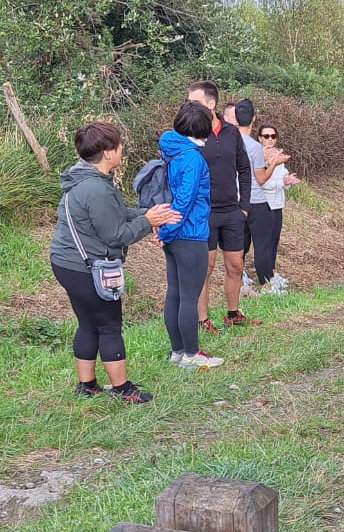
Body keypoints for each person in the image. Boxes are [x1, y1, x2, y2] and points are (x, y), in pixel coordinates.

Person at [51, 122, 180, 402]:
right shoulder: (96, 188)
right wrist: (149, 222)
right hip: (86, 266)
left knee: (87, 323)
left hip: (67, 261)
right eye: (119, 146)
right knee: (109, 325)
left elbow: (117, 214)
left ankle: (87, 386)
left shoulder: (84, 178)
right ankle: (123, 390)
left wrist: (148, 213)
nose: (122, 150)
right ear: (108, 153)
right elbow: (115, 235)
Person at [187, 81, 255, 332]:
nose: (189, 107)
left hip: (232, 212)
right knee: (205, 268)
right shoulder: (190, 135)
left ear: (211, 104)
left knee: (236, 265)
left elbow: (244, 169)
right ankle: (203, 320)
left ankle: (233, 313)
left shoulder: (231, 132)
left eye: (195, 102)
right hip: (204, 213)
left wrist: (244, 206)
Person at [159, 100, 222, 370]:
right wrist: (168, 230)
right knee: (189, 297)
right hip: (191, 233)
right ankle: (192, 354)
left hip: (174, 237)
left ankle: (177, 352)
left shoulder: (172, 149)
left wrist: (165, 232)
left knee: (174, 293)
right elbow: (184, 200)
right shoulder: (193, 158)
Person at [241, 108, 291, 296]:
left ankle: (269, 275)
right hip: (260, 204)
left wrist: (285, 180)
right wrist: (274, 167)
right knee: (259, 245)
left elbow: (280, 177)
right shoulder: (254, 151)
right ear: (259, 137)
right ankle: (263, 282)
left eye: (273, 136)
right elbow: (261, 181)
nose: (270, 139)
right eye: (266, 136)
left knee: (272, 241)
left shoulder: (275, 154)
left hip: (274, 203)